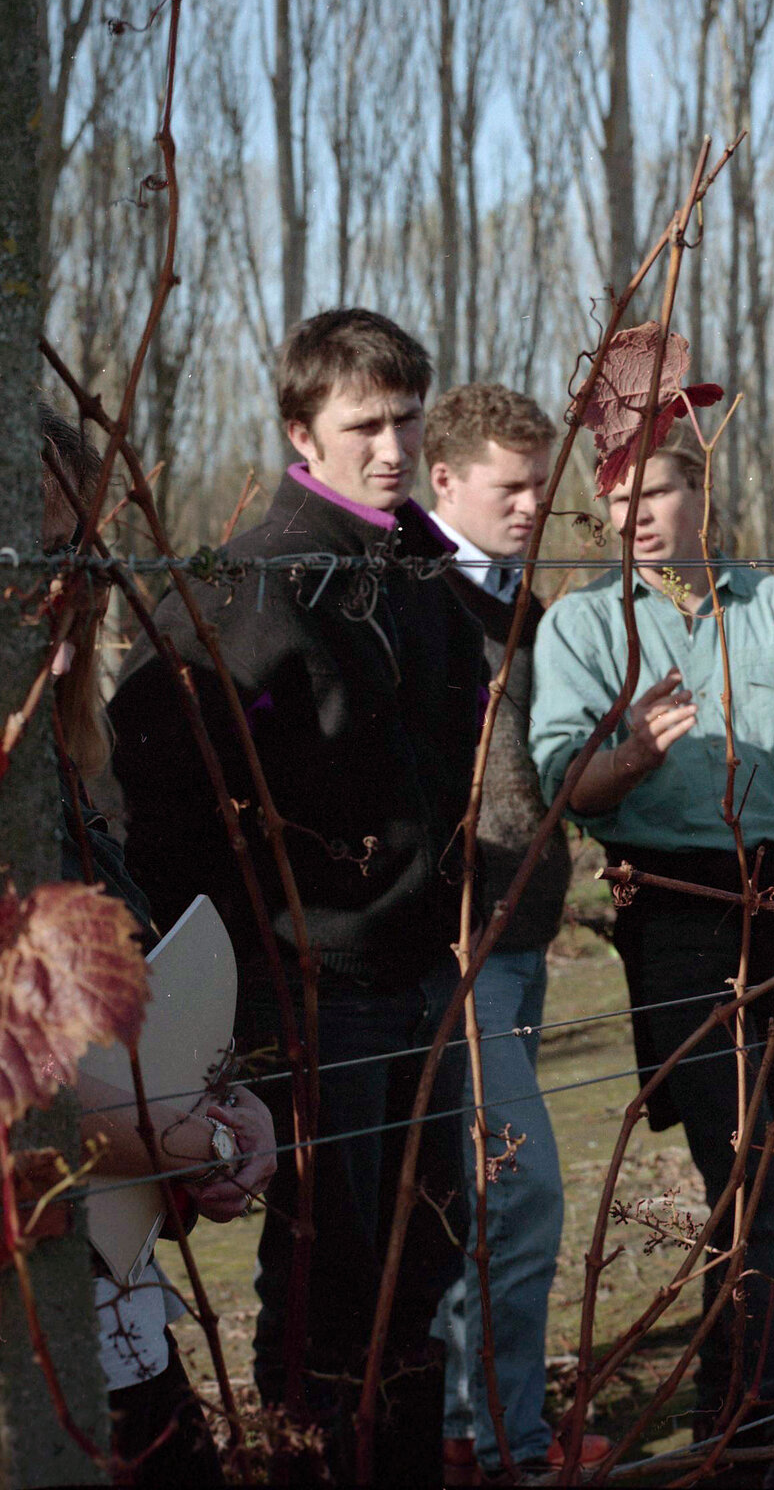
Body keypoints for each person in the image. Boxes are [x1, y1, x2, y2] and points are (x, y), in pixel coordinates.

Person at [109, 310, 482, 1484]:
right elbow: (158, 755)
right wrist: (251, 963)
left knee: (422, 1271)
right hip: (318, 985)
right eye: (362, 424)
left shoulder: (412, 564)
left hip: (424, 975)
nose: (392, 446)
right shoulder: (255, 583)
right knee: (333, 1285)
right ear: (298, 432)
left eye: (407, 418)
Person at [530, 434, 774, 1446]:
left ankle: (733, 1411)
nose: (640, 519)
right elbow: (567, 791)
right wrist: (627, 756)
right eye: (617, 505)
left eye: (659, 491)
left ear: (701, 489)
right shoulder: (579, 627)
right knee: (737, 1162)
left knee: (761, 1167)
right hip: (673, 910)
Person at [42, 402, 276, 1487]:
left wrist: (223, 1114)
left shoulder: (69, 781)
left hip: (109, 1298)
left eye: (79, 551)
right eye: (32, 550)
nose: (66, 585)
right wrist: (129, 1135)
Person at [419, 383, 600, 1483]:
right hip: (456, 942)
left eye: (544, 484)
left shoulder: (518, 602)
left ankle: (460, 1425)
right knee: (519, 1193)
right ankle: (511, 1450)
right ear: (445, 482)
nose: (535, 504)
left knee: (480, 1203)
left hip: (523, 931)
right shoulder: (410, 597)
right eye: (512, 486)